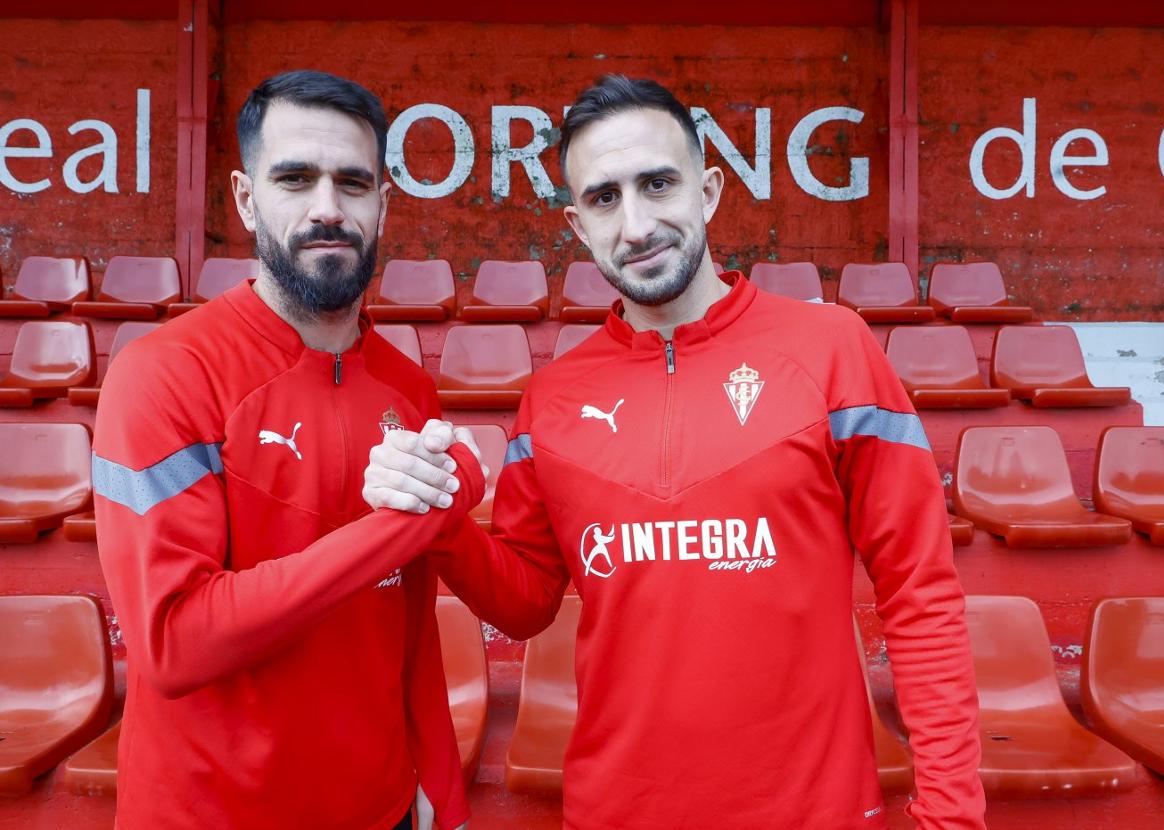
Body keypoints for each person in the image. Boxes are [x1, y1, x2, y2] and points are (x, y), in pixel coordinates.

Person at [363, 75, 986, 828]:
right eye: (604, 199)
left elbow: (919, 593)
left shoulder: (833, 351)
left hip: (814, 809)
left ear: (709, 189)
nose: (636, 224)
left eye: (658, 184)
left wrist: (952, 813)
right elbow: (524, 603)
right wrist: (441, 521)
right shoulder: (554, 400)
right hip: (617, 810)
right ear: (578, 224)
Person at [93, 70, 484, 830]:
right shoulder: (164, 374)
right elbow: (175, 642)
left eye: (353, 183)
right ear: (245, 199)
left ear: (383, 205)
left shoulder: (408, 387)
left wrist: (438, 772)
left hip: (381, 809)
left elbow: (407, 623)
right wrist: (404, 523)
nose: (328, 209)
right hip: (207, 816)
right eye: (296, 179)